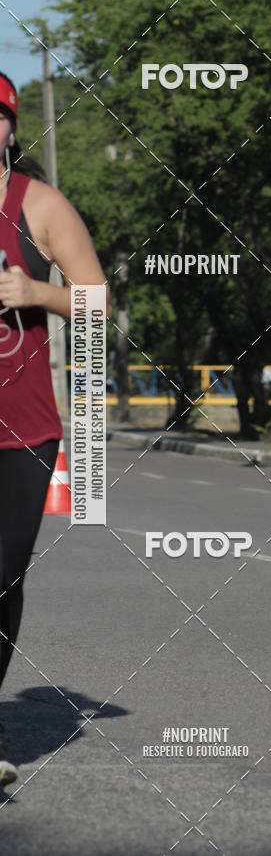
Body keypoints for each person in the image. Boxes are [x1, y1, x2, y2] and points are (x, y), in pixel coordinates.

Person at [0, 73, 109, 785]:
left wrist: (37, 292)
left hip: (22, 429)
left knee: (3, 577)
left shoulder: (36, 204)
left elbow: (98, 303)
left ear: (9, 126)